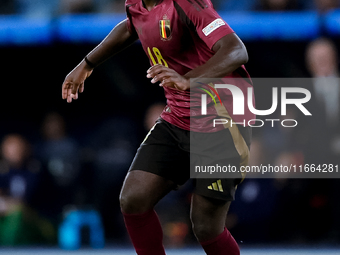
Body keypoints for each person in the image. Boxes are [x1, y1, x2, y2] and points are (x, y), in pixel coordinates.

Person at [61, 0, 253, 254]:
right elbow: (131, 26)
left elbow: (236, 50)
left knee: (206, 226)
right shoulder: (136, 4)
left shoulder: (186, 4)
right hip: (178, 117)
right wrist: (88, 63)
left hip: (222, 122)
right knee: (133, 199)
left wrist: (189, 79)